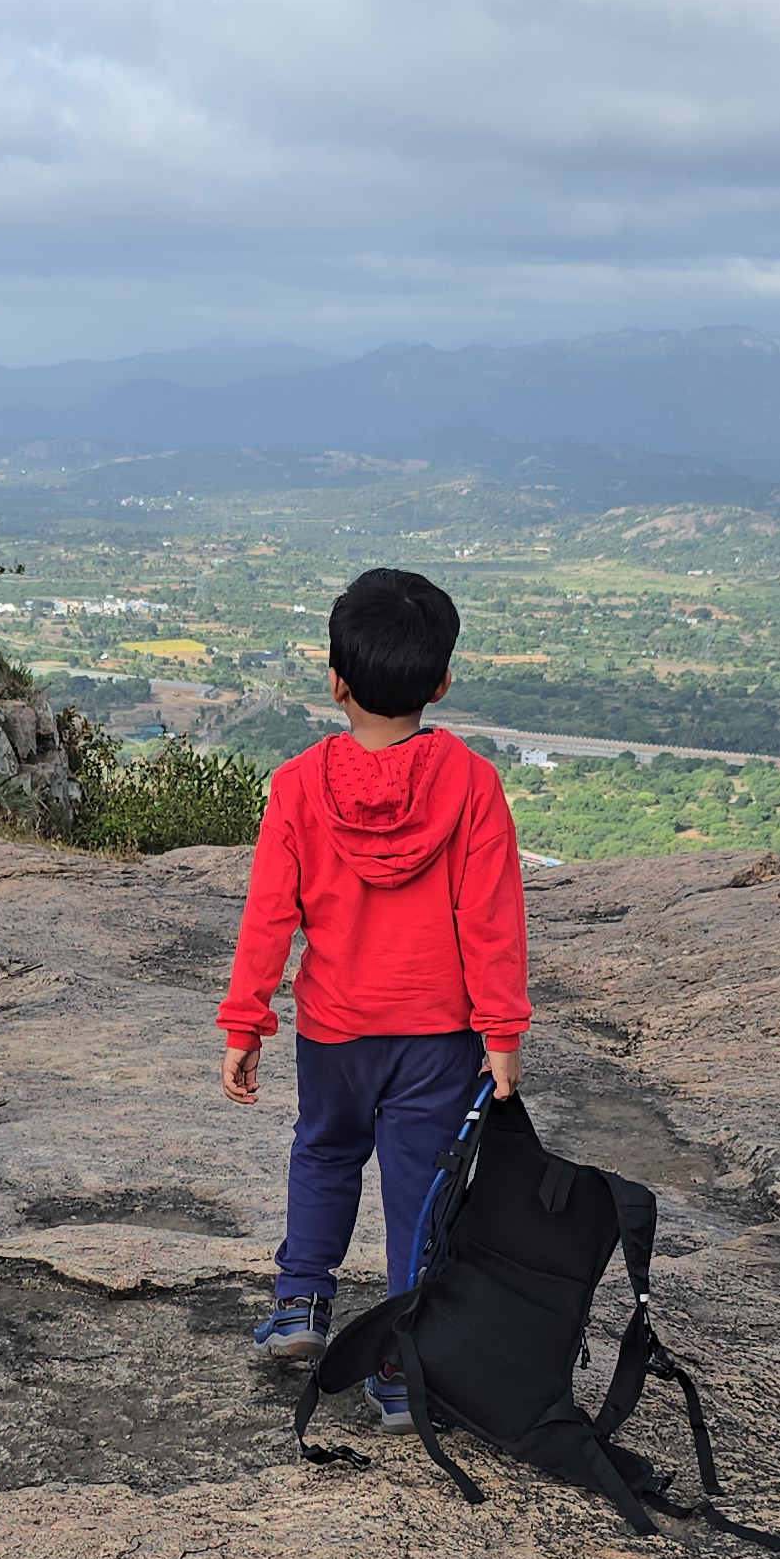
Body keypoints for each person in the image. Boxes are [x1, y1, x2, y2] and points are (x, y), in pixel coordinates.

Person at [216, 567, 529, 1432]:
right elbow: (493, 919)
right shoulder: (471, 785)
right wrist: (502, 1032)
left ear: (335, 680)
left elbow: (269, 917)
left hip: (334, 1031)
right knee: (422, 1193)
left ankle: (301, 1306)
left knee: (322, 1154)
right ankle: (406, 1367)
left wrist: (247, 1022)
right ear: (441, 682)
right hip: (438, 1036)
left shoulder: (297, 785)